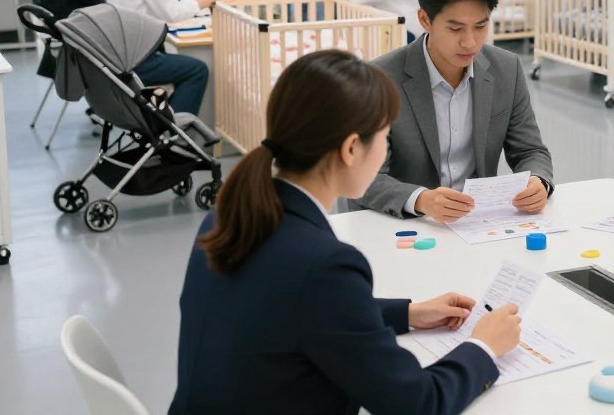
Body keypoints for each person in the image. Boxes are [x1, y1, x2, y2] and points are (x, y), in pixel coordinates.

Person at [171, 50, 520, 415]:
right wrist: (483, 347)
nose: (386, 148)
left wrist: (409, 312)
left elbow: (296, 310)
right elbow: (418, 403)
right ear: (352, 148)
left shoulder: (230, 216)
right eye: (385, 136)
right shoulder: (325, 265)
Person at [354, 0, 554, 222]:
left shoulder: (506, 69)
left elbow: (531, 151)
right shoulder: (378, 79)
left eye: (480, 26)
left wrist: (537, 181)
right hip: (408, 225)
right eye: (455, 28)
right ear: (425, 20)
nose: (470, 42)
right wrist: (421, 199)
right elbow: (362, 178)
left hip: (476, 224)